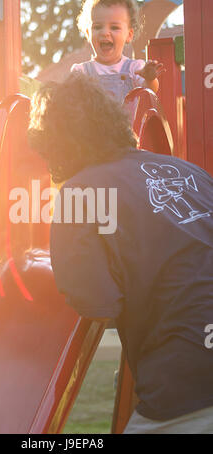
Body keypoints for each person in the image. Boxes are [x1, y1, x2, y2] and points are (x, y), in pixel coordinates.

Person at [28, 73, 213, 434]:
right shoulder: (189, 172)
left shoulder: (81, 193)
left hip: (187, 374)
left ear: (53, 143)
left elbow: (98, 301)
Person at [71, 0, 165, 103]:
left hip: (126, 122)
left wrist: (150, 78)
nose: (105, 32)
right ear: (88, 33)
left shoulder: (134, 69)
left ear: (129, 35)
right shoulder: (81, 72)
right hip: (92, 122)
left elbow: (150, 89)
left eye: (114, 27)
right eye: (97, 27)